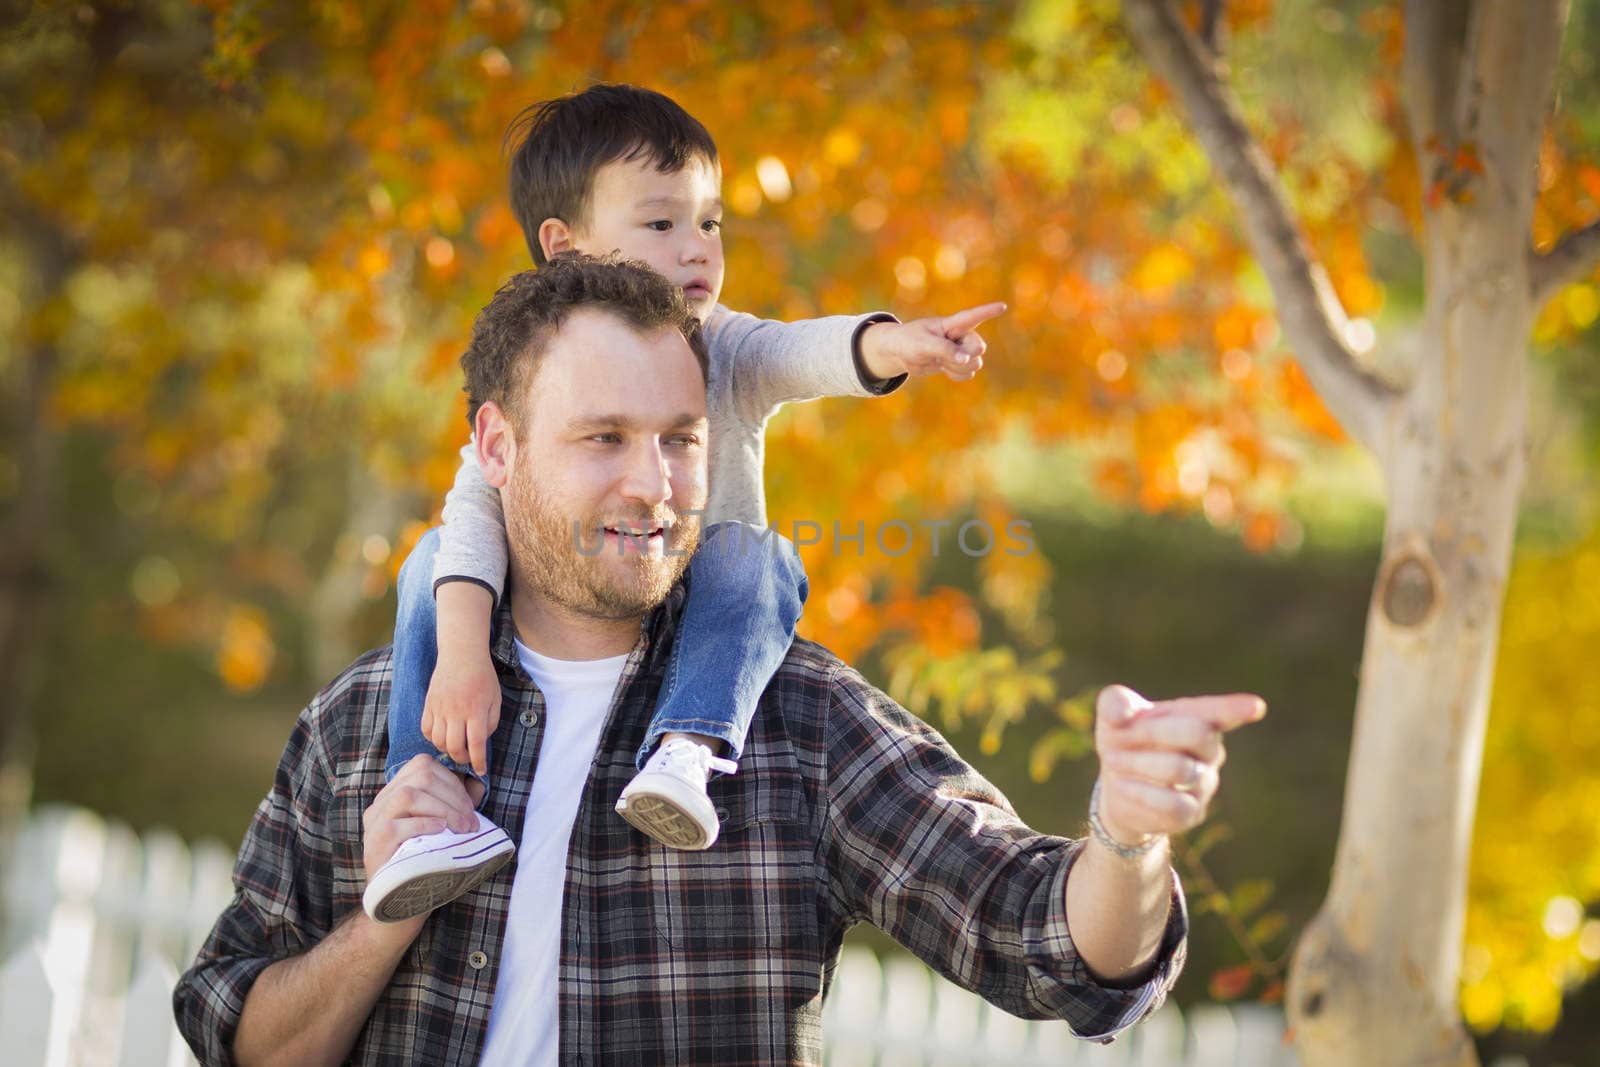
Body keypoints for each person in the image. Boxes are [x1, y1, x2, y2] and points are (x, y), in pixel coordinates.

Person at [174, 255, 1265, 1066]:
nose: (654, 483)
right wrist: (386, 912)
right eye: (603, 438)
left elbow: (1055, 949)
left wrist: (1125, 836)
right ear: (496, 447)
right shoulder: (365, 718)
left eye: (681, 438)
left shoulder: (797, 719)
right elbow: (240, 1037)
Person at [364, 83, 1008, 923]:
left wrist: (894, 343)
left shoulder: (726, 342)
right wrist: (462, 656)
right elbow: (475, 511)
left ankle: (687, 749)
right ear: (564, 245)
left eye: (710, 223)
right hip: (565, 585)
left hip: (697, 594)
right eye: (662, 224)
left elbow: (802, 349)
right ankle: (432, 793)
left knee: (758, 556)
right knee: (431, 561)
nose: (698, 248)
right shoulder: (536, 363)